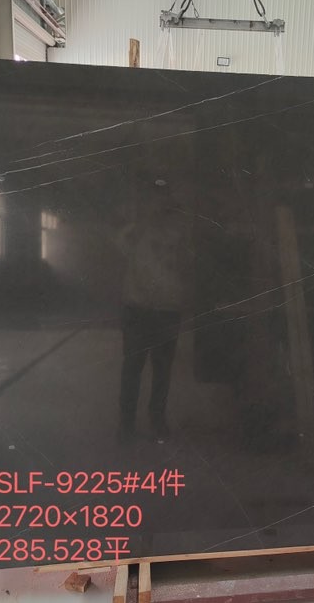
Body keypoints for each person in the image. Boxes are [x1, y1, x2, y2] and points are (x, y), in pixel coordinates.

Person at [118, 178, 188, 443]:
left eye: (163, 197)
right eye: (153, 198)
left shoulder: (178, 234)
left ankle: (157, 419)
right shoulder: (133, 233)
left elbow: (185, 265)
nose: (158, 203)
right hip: (138, 308)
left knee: (162, 369)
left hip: (167, 308)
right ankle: (126, 424)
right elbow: (121, 248)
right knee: (132, 368)